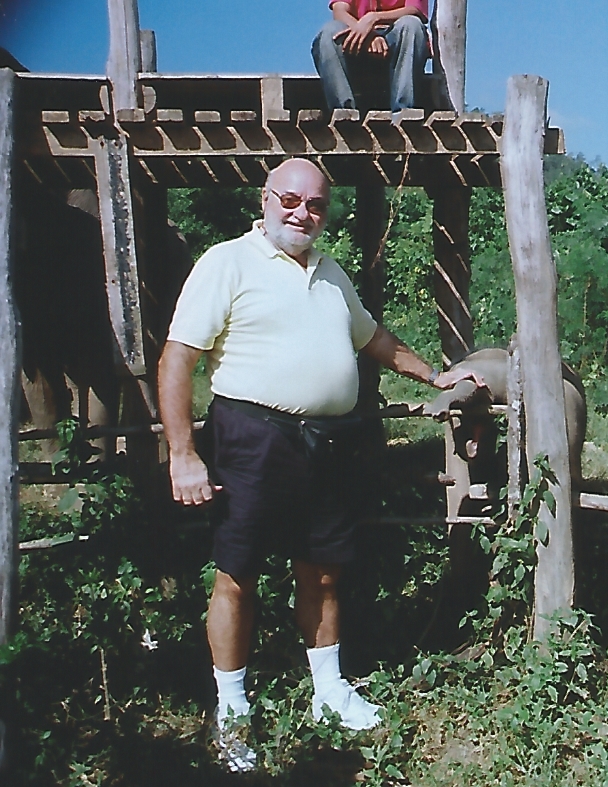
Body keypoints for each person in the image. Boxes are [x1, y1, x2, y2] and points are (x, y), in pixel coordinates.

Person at [158, 158, 480, 772]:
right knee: (237, 576)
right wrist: (183, 453)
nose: (302, 213)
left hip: (328, 444)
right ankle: (232, 712)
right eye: (290, 200)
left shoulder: (330, 273)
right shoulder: (226, 262)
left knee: (325, 571)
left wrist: (436, 374)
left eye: (316, 205)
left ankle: (329, 692)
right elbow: (178, 361)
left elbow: (372, 339)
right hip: (252, 440)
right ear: (265, 198)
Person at [312, 0, 429, 113]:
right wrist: (366, 34)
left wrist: (374, 18)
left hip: (395, 40)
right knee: (328, 33)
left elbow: (415, 9)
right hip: (355, 38)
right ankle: (345, 113)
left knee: (412, 24)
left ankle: (404, 111)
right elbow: (339, 11)